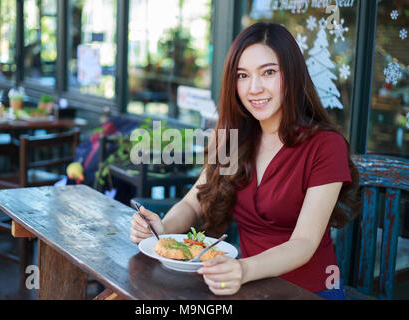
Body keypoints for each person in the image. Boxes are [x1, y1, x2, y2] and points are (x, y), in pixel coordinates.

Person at [129, 22, 360, 299]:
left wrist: (242, 269)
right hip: (246, 288)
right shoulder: (234, 139)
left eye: (269, 72)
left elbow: (304, 242)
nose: (254, 88)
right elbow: (194, 202)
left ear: (293, 75)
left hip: (310, 290)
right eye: (242, 75)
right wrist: (162, 229)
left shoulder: (325, 146)